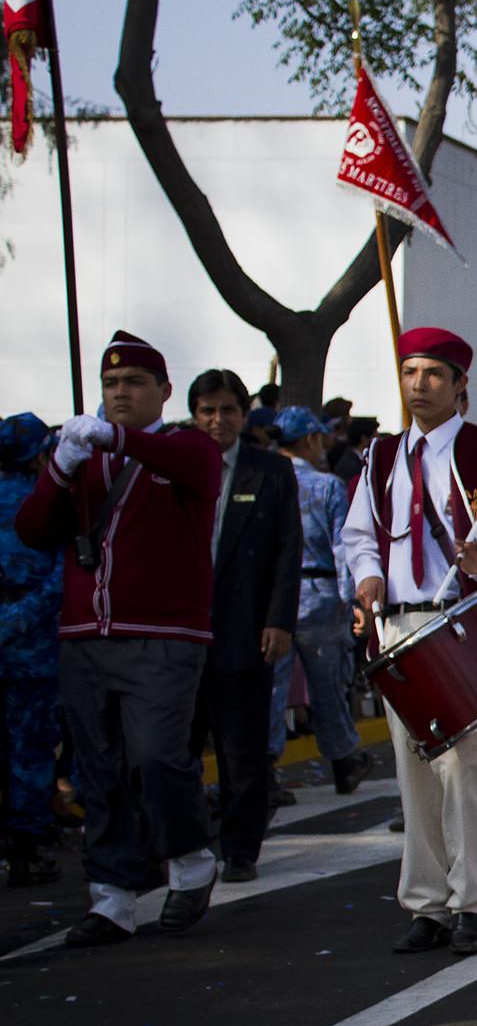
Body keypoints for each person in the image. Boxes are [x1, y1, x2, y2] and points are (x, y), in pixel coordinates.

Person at [16, 332, 222, 945]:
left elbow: (199, 473)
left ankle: (190, 860)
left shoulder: (186, 447)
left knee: (157, 756)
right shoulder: (84, 458)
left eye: (134, 383)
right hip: (84, 635)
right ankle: (111, 895)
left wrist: (119, 438)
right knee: (96, 768)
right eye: (111, 385)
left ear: (162, 391)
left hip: (163, 636)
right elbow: (32, 529)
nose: (120, 393)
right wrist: (58, 470)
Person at [340, 326, 477, 956]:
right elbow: (359, 534)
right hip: (399, 624)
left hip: (465, 621)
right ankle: (425, 905)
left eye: (431, 374)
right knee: (416, 771)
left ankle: (470, 901)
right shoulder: (380, 456)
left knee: (472, 772)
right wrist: (367, 575)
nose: (418, 385)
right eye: (409, 373)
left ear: (458, 387)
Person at [186, 369, 301, 883]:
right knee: (173, 748)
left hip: (245, 626)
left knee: (242, 748)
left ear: (243, 414)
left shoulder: (271, 471)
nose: (217, 420)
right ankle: (179, 842)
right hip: (179, 630)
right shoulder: (175, 465)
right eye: (207, 410)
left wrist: (279, 620)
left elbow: (287, 550)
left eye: (227, 410)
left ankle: (239, 848)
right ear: (193, 414)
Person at [267, 406, 370, 797]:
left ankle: (265, 767)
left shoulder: (265, 479)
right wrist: (352, 599)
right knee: (328, 686)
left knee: (272, 690)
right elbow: (342, 547)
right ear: (309, 439)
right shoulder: (326, 486)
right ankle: (344, 760)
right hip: (320, 597)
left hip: (274, 599)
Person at [0, 413, 63, 886]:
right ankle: (29, 848)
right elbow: (63, 577)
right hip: (33, 650)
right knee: (31, 750)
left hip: (22, 643)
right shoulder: (47, 504)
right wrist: (18, 620)